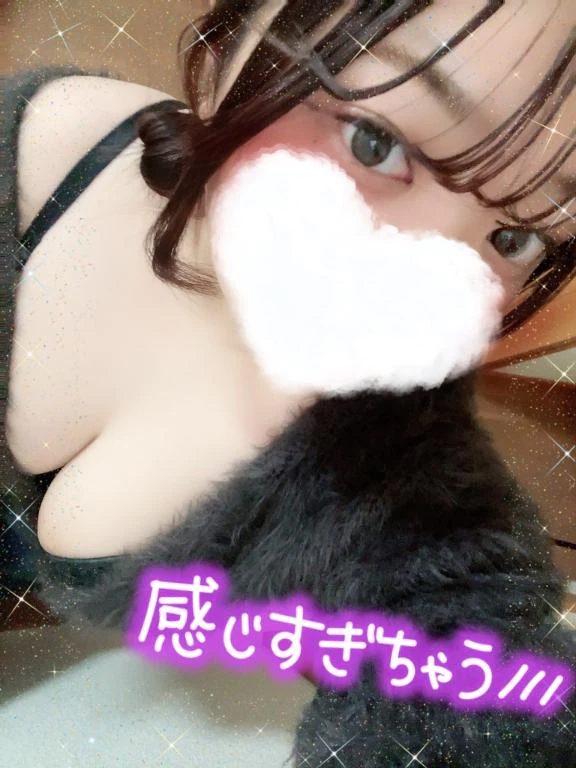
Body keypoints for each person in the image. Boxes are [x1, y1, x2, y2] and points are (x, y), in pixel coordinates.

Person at [1, 0, 574, 594]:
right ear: (231, 45)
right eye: (373, 143)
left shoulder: (397, 470)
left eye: (517, 237)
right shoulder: (54, 143)